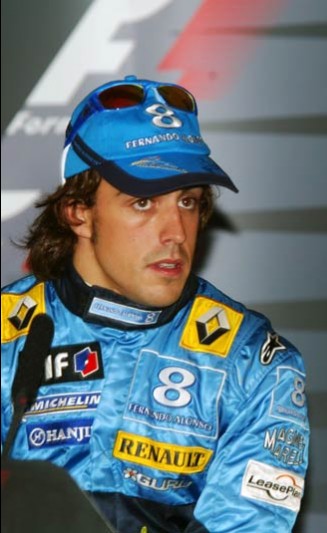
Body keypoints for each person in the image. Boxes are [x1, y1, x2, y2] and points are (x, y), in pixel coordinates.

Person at [1, 77, 308, 532]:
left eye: (187, 201)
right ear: (78, 212)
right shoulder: (10, 334)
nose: (176, 233)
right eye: (143, 201)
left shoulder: (253, 362)